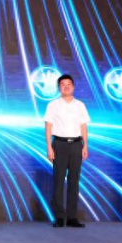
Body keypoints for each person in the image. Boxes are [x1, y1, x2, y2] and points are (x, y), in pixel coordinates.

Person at [44, 74, 90, 228]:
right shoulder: (53, 105)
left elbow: (83, 126)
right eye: (62, 84)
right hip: (59, 144)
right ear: (59, 88)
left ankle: (71, 217)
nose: (66, 87)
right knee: (58, 181)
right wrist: (49, 147)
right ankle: (59, 217)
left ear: (73, 87)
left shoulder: (80, 105)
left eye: (69, 84)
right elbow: (48, 127)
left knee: (74, 182)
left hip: (76, 144)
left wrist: (85, 145)